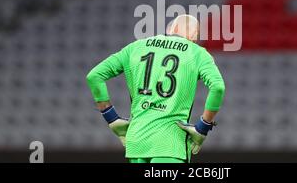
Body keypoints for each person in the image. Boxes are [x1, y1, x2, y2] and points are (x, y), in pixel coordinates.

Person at [86, 14, 226, 163]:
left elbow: (94, 76)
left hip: (137, 142)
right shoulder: (197, 53)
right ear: (194, 35)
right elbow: (218, 87)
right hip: (171, 143)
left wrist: (112, 118)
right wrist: (203, 127)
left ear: (169, 29)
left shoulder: (135, 47)